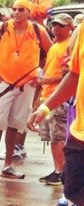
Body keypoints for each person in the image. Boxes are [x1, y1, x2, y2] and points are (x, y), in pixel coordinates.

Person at [30, 23, 84, 206]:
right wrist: (45, 106)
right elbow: (74, 75)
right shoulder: (83, 30)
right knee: (72, 186)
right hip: (81, 131)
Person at [0, 0, 50, 178]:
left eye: (21, 10)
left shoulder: (37, 30)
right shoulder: (2, 27)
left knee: (15, 124)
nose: (16, 12)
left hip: (26, 84)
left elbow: (52, 52)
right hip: (3, 82)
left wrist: (41, 74)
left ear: (29, 13)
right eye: (14, 9)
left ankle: (7, 165)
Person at [37, 13, 74, 186]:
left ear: (70, 27)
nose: (56, 28)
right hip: (48, 97)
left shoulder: (70, 46)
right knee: (53, 137)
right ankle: (57, 169)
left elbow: (71, 75)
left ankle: (61, 172)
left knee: (58, 137)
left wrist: (49, 80)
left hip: (59, 98)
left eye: (60, 25)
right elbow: (47, 70)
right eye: (54, 25)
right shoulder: (54, 47)